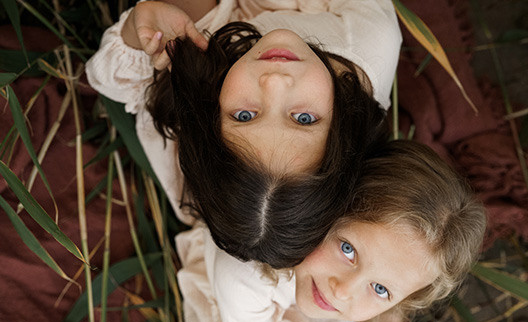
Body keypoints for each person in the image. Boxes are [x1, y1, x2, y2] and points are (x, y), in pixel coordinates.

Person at [177, 140, 485, 322]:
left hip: (310, 285)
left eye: (380, 289)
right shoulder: (243, 269)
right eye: (348, 250)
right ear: (327, 206)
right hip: (241, 316)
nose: (343, 290)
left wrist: (390, 314)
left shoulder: (336, 287)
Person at [86, 0, 401, 268]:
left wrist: (141, 23)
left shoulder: (214, 86)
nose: (274, 81)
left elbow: (114, 79)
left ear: (212, 118)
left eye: (245, 115)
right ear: (342, 126)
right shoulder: (370, 39)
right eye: (304, 119)